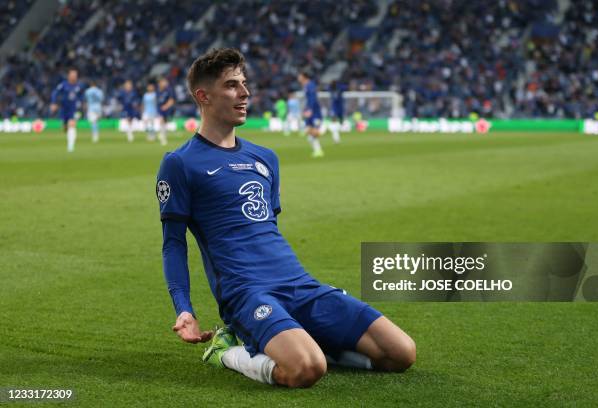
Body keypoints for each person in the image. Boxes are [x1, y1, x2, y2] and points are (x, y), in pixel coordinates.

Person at [156, 48, 415, 388]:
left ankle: (300, 337)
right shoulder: (180, 163)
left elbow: (268, 229)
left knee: (400, 353)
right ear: (203, 96)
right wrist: (184, 309)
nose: (245, 93)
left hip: (298, 283)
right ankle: (226, 350)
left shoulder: (265, 159)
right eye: (232, 85)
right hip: (247, 292)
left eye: (244, 83)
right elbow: (173, 245)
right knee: (305, 369)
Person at [50, 68, 84, 152]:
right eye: (72, 75)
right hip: (64, 108)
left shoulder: (79, 86)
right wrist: (54, 103)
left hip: (74, 108)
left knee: (72, 125)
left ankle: (70, 147)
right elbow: (55, 93)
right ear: (69, 76)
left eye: (75, 75)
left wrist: (82, 105)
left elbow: (82, 96)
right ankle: (67, 132)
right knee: (65, 127)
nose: (74, 77)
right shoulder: (63, 85)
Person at [297, 70, 324, 157]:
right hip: (310, 110)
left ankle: (318, 150)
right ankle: (317, 150)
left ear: (304, 76)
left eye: (299, 76)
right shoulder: (306, 85)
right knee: (309, 131)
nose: (298, 78)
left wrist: (310, 110)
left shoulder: (310, 85)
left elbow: (313, 98)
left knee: (312, 131)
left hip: (314, 112)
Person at [157, 77, 175, 144]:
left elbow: (172, 100)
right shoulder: (158, 90)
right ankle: (163, 137)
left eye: (164, 82)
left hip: (167, 109)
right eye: (161, 82)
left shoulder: (169, 90)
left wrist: (166, 106)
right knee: (161, 121)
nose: (163, 83)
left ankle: (163, 135)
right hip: (160, 109)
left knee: (165, 122)